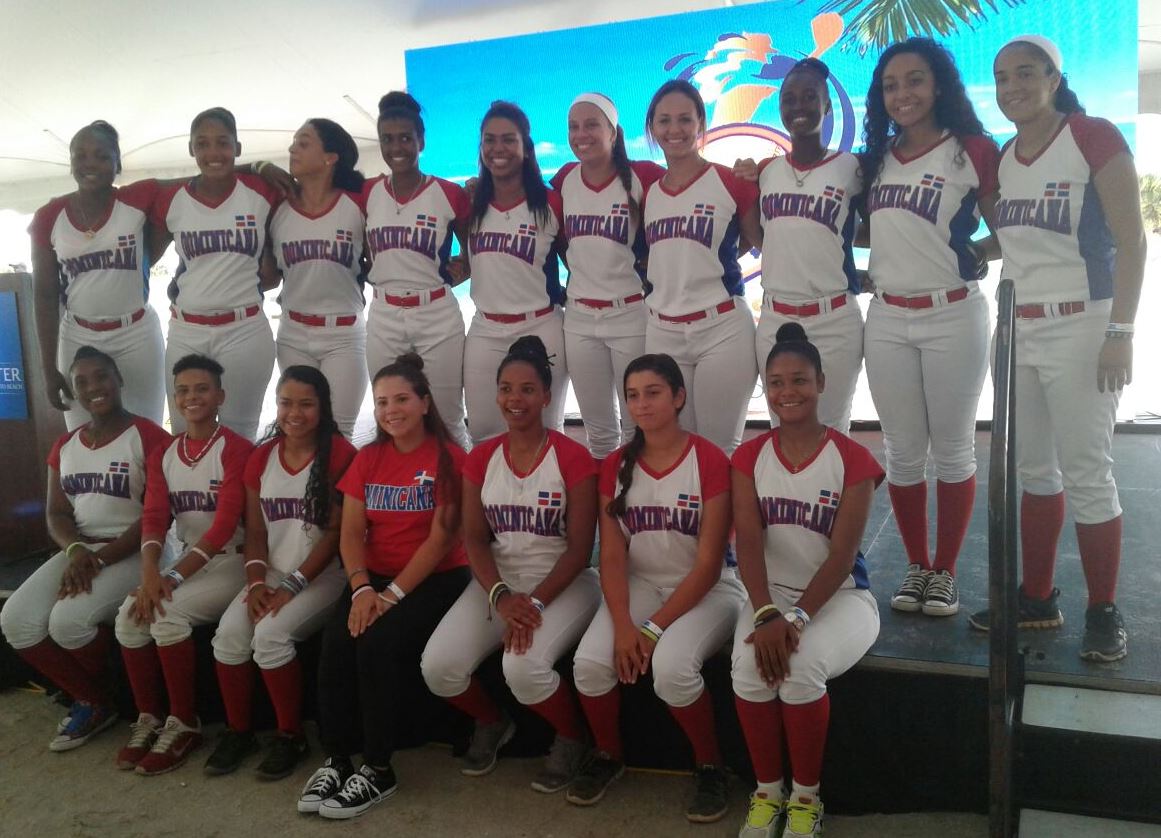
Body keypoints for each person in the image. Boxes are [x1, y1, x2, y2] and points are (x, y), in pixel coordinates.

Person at [968, 35, 1146, 662]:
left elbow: (1131, 239)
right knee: (1034, 471)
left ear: (1053, 75)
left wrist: (1121, 332)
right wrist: (971, 252)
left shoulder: (1090, 135)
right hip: (1018, 327)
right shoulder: (1009, 156)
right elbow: (1018, 237)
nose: (1011, 85)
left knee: (1088, 471)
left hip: (1083, 323)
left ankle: (1104, 609)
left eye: (1024, 72)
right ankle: (1039, 598)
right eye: (1000, 76)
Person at [569, 353, 743, 824]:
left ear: (678, 397)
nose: (641, 403)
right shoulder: (617, 465)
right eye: (632, 395)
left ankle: (711, 766)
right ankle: (608, 755)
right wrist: (624, 623)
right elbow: (610, 554)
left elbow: (708, 565)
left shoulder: (708, 459)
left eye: (653, 392)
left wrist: (648, 631)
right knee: (589, 662)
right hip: (641, 585)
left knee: (670, 667)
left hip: (709, 590)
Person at [421, 336, 599, 793]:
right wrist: (502, 598)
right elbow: (475, 539)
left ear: (546, 395)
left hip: (564, 581)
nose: (514, 399)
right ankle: (492, 721)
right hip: (499, 584)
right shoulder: (482, 456)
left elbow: (580, 549)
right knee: (439, 667)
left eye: (526, 389)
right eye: (505, 388)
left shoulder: (573, 456)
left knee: (522, 669)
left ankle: (574, 737)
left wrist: (534, 604)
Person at [860, 38, 999, 618]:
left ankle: (945, 570)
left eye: (914, 80)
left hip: (953, 314)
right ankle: (917, 566)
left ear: (939, 83)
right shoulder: (877, 156)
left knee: (954, 450)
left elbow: (1010, 227)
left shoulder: (971, 150)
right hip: (888, 315)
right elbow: (875, 231)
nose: (903, 94)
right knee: (902, 453)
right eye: (891, 85)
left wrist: (978, 252)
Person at [299, 354, 470, 819]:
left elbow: (441, 540)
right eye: (381, 402)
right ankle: (337, 759)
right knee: (336, 642)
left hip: (434, 578)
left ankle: (377, 768)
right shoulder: (369, 457)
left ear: (424, 402)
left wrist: (390, 597)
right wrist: (360, 589)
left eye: (401, 399)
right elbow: (352, 533)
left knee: (376, 645)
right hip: (371, 579)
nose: (391, 410)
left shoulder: (449, 457)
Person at [730, 324, 883, 838]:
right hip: (767, 599)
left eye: (799, 379)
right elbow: (747, 544)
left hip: (840, 599)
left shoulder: (853, 459)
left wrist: (795, 617)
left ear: (821, 382)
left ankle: (806, 800)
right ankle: (767, 792)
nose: (786, 392)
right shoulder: (749, 456)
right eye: (775, 382)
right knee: (749, 670)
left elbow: (842, 557)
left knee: (799, 672)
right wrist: (767, 611)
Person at [1, 347, 170, 751]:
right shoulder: (65, 445)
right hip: (81, 551)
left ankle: (114, 696)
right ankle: (95, 699)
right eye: (82, 382)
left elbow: (156, 514)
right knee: (16, 620)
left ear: (119, 380)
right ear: (74, 391)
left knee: (67, 621)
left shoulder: (150, 436)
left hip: (137, 551)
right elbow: (56, 514)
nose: (94, 387)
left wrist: (96, 559)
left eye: (102, 376)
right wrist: (77, 552)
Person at [207, 366, 355, 779]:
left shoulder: (341, 454)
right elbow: (255, 530)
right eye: (286, 402)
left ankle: (291, 735)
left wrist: (293, 585)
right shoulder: (262, 455)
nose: (295, 412)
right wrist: (256, 583)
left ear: (323, 408)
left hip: (324, 576)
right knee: (229, 636)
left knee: (270, 636)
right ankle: (240, 732)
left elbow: (335, 533)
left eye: (306, 403)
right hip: (271, 572)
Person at [113, 354, 252, 775]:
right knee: (127, 619)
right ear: (175, 398)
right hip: (190, 559)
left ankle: (184, 722)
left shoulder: (237, 449)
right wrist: (149, 574)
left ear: (220, 396)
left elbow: (224, 527)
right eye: (184, 391)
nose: (192, 397)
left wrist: (167, 579)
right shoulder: (165, 453)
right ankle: (149, 719)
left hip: (233, 561)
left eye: (202, 389)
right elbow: (155, 518)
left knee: (166, 614)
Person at [733, 58, 865, 434]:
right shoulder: (767, 171)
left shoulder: (852, 168)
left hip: (834, 318)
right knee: (783, 427)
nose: (799, 106)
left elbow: (880, 227)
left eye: (810, 97)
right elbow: (762, 236)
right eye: (789, 99)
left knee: (833, 430)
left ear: (827, 105)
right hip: (776, 317)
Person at [640, 80, 762, 455]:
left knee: (719, 449)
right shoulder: (647, 191)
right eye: (664, 121)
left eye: (683, 119)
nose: (673, 130)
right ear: (652, 128)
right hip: (663, 331)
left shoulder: (731, 182)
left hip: (721, 329)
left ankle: (725, 518)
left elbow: (754, 241)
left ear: (700, 124)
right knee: (675, 448)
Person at [152, 107, 281, 441]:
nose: (213, 152)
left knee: (240, 434)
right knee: (186, 431)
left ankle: (238, 496)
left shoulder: (261, 192)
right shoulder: (172, 199)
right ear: (191, 149)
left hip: (244, 328)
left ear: (237, 148)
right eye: (202, 144)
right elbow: (144, 258)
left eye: (222, 143)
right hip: (187, 330)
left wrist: (260, 167)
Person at [29, 122, 166, 430]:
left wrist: (259, 166)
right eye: (80, 156)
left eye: (101, 156)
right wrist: (48, 368)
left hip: (136, 334)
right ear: (71, 162)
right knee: (83, 436)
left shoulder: (139, 197)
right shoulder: (50, 215)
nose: (89, 163)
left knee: (147, 433)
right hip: (78, 334)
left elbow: (199, 181)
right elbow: (45, 295)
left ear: (118, 164)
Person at [551, 92, 664, 458]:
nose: (580, 134)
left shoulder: (642, 176)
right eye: (573, 126)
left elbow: (694, 183)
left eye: (591, 124)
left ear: (613, 132)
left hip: (630, 314)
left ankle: (640, 510)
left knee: (637, 429)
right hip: (580, 319)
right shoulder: (565, 179)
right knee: (598, 433)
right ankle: (607, 513)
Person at [363, 92, 472, 449]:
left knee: (447, 414)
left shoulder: (447, 193)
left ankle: (457, 499)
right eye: (388, 139)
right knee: (389, 413)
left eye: (406, 138)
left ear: (421, 142)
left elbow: (474, 251)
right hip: (384, 313)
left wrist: (456, 273)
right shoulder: (367, 193)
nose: (397, 147)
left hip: (435, 313)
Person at [461, 102, 569, 443]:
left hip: (541, 324)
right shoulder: (471, 202)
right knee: (483, 432)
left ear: (525, 147)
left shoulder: (551, 203)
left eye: (509, 139)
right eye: (489, 140)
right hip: (485, 328)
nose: (498, 148)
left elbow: (579, 263)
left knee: (545, 432)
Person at [268, 120, 368, 438]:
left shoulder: (358, 203)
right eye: (294, 141)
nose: (292, 148)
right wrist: (258, 165)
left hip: (344, 334)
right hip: (294, 332)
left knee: (339, 432)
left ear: (330, 157)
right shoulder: (276, 207)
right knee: (300, 430)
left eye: (304, 142)